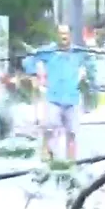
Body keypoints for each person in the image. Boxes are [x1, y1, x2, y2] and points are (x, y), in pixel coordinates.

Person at [33, 25, 88, 162]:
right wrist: (38, 74)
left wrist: (84, 77)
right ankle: (48, 157)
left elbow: (89, 65)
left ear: (70, 35)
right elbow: (31, 59)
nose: (64, 36)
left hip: (72, 97)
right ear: (57, 35)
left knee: (72, 132)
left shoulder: (78, 52)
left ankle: (71, 162)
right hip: (54, 97)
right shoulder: (48, 52)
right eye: (61, 33)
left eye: (66, 33)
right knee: (50, 129)